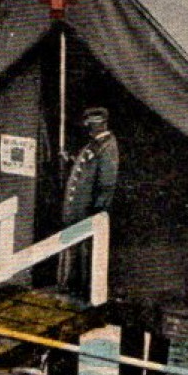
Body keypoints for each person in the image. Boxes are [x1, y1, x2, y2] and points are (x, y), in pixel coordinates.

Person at [59, 107, 120, 293]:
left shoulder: (108, 147)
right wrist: (70, 159)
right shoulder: (94, 144)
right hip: (77, 210)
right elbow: (85, 167)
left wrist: (98, 211)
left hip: (87, 211)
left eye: (92, 125)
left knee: (86, 251)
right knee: (73, 246)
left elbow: (107, 182)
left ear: (102, 124)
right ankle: (69, 283)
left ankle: (81, 288)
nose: (89, 129)